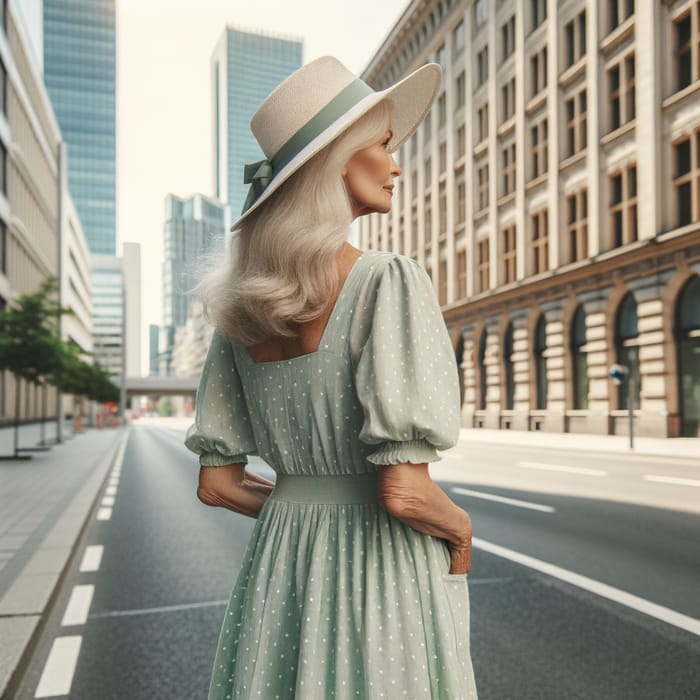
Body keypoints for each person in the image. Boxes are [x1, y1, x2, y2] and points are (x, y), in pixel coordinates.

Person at [185, 56, 478, 699]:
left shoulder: (237, 312)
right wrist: (460, 530)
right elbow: (403, 493)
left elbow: (217, 485)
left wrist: (302, 506)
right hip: (381, 568)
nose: (396, 164)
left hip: (280, 566)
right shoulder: (385, 281)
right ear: (337, 163)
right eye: (382, 145)